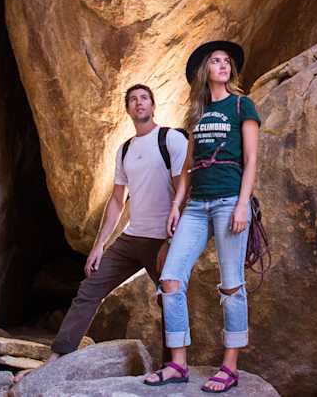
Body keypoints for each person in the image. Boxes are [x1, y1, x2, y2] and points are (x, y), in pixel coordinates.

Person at [14, 84, 187, 384]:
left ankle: (173, 367)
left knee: (170, 298)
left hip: (164, 236)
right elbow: (117, 201)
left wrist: (173, 240)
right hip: (132, 238)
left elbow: (182, 191)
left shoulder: (170, 139)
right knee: (90, 289)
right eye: (132, 100)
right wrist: (98, 246)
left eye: (144, 98)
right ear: (128, 109)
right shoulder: (125, 150)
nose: (138, 103)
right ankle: (56, 358)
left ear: (153, 106)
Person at [143, 40, 261, 393]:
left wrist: (242, 205)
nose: (223, 65)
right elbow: (188, 167)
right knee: (171, 279)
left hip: (229, 201)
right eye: (215, 61)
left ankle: (230, 366)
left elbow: (252, 160)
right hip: (196, 205)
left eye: (227, 61)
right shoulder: (197, 114)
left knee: (231, 284)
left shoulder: (242, 105)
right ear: (205, 71)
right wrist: (176, 205)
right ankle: (178, 364)